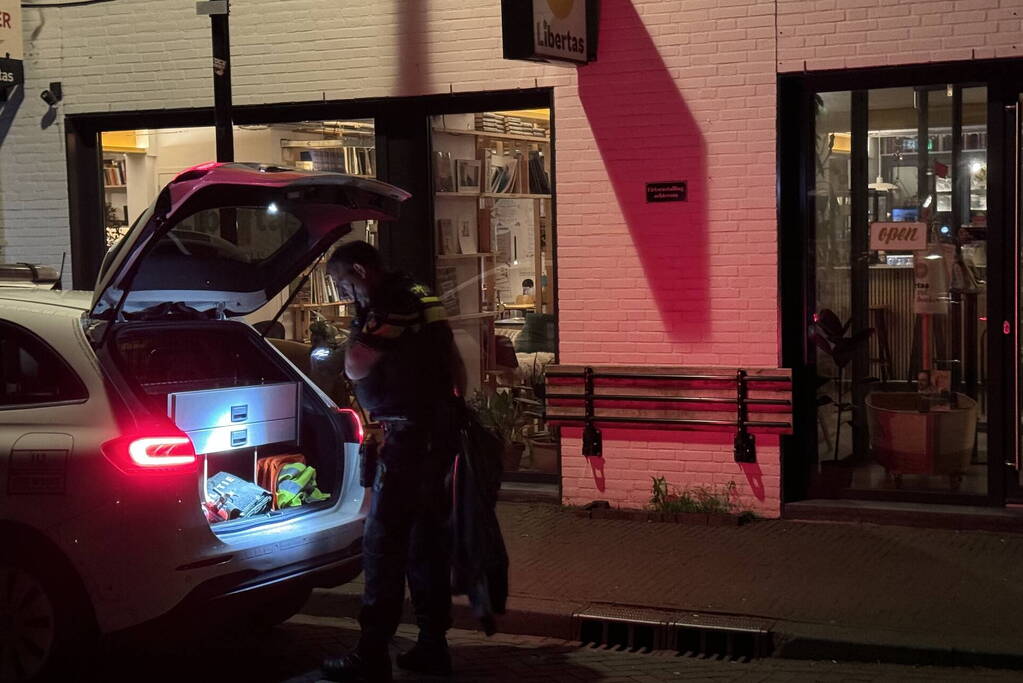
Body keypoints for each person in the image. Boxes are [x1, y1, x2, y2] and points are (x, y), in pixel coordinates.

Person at [321, 240, 466, 682]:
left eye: (344, 284)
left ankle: (371, 654)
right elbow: (453, 361)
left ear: (361, 271)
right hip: (434, 433)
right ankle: (431, 644)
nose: (345, 295)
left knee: (382, 545)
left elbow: (357, 366)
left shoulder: (391, 305)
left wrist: (353, 339)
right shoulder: (421, 295)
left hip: (409, 439)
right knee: (427, 543)